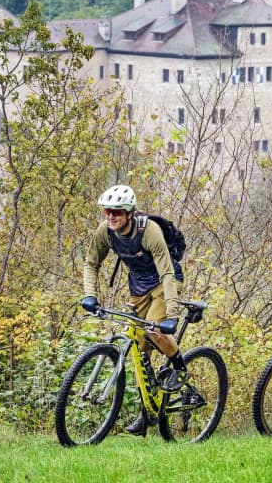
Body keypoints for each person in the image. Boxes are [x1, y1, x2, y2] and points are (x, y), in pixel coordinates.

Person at [80, 184, 186, 436]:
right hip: (138, 287)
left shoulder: (149, 231)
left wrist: (171, 315)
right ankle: (147, 413)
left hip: (164, 282)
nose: (110, 216)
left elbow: (168, 272)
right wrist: (89, 295)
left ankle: (180, 367)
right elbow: (91, 263)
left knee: (153, 329)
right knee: (140, 353)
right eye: (107, 211)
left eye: (116, 212)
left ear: (129, 213)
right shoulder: (105, 231)